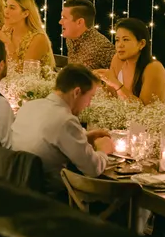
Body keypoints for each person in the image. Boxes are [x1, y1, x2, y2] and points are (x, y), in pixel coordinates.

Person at [7, 64, 110, 195]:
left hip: (18, 188)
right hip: (49, 198)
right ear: (77, 92)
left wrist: (84, 136)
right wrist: (103, 150)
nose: (89, 104)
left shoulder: (30, 106)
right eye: (90, 97)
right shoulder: (66, 120)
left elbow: (51, 139)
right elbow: (93, 169)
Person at [96, 17, 165, 104]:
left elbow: (147, 110)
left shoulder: (154, 68)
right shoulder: (117, 59)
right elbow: (110, 97)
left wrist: (116, 84)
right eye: (117, 40)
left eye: (125, 39)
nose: (120, 45)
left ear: (141, 44)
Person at [59, 0, 113, 69]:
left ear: (79, 22)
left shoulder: (102, 47)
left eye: (64, 18)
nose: (60, 22)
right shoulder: (70, 39)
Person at [3, 0, 52, 66]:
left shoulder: (38, 38)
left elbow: (25, 73)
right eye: (6, 6)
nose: (6, 11)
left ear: (25, 13)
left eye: (12, 8)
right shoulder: (6, 32)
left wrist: (6, 42)